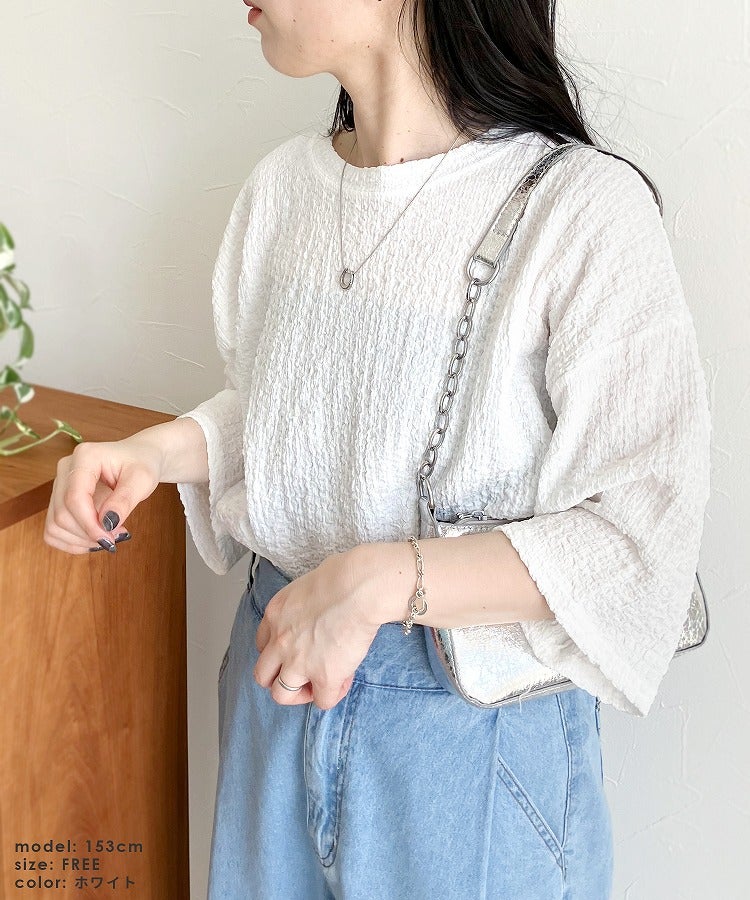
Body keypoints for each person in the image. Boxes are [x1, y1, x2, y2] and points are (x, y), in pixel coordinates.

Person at [44, 1, 712, 897]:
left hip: (465, 743)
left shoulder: (581, 211)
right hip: (274, 694)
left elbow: (635, 536)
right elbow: (303, 415)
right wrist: (162, 453)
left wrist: (380, 582)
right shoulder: (283, 189)